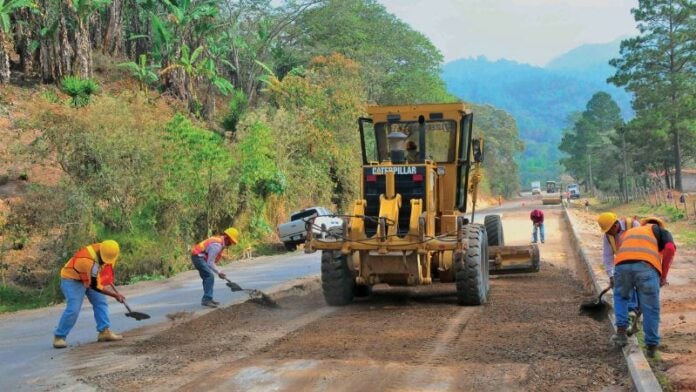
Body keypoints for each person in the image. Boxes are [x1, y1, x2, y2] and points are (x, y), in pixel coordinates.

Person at [599, 214, 676, 358]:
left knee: (621, 297)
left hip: (621, 265)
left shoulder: (631, 231)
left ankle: (621, 333)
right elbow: (670, 249)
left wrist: (612, 274)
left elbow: (625, 253)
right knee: (651, 308)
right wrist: (663, 276)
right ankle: (651, 345)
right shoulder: (660, 231)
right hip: (646, 267)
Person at [53, 240, 125, 349]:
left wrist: (106, 277)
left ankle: (104, 332)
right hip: (72, 279)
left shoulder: (108, 250)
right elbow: (96, 286)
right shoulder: (87, 261)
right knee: (73, 308)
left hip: (90, 275)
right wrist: (115, 295)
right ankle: (59, 337)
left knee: (101, 302)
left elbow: (105, 269)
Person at [597, 212, 642, 332]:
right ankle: (631, 314)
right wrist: (611, 276)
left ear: (615, 225)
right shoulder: (608, 236)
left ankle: (633, 312)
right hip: (622, 264)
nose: (606, 232)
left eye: (608, 230)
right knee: (624, 286)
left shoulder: (633, 225)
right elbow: (607, 256)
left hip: (641, 260)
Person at [191, 227, 240, 308]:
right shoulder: (217, 245)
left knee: (207, 277)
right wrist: (219, 272)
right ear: (227, 238)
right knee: (209, 276)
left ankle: (208, 298)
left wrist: (219, 272)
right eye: (231, 242)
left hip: (200, 257)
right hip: (198, 257)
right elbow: (210, 262)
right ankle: (206, 299)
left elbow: (210, 261)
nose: (230, 245)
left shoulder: (219, 242)